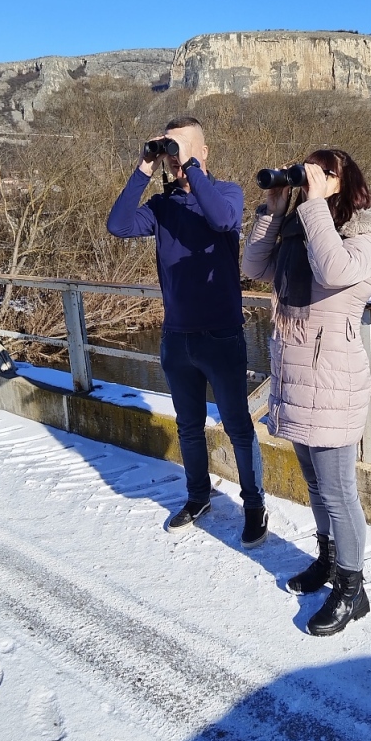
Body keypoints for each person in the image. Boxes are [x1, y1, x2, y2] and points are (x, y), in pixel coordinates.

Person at [242, 149, 371, 635]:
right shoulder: (298, 223)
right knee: (315, 485)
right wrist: (273, 206)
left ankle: (353, 590)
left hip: (331, 378)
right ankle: (328, 561)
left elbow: (333, 271)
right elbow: (253, 265)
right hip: (295, 371)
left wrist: (310, 207)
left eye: (320, 172)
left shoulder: (365, 233)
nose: (308, 178)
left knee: (338, 491)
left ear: (342, 180)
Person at [107, 116, 267, 547]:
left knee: (237, 426)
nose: (173, 161)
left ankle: (254, 504)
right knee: (189, 426)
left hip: (221, 334)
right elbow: (118, 225)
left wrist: (191, 168)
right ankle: (198, 496)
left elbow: (221, 220)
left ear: (204, 152)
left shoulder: (228, 193)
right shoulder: (161, 207)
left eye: (182, 150)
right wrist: (143, 167)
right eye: (168, 152)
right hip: (177, 336)